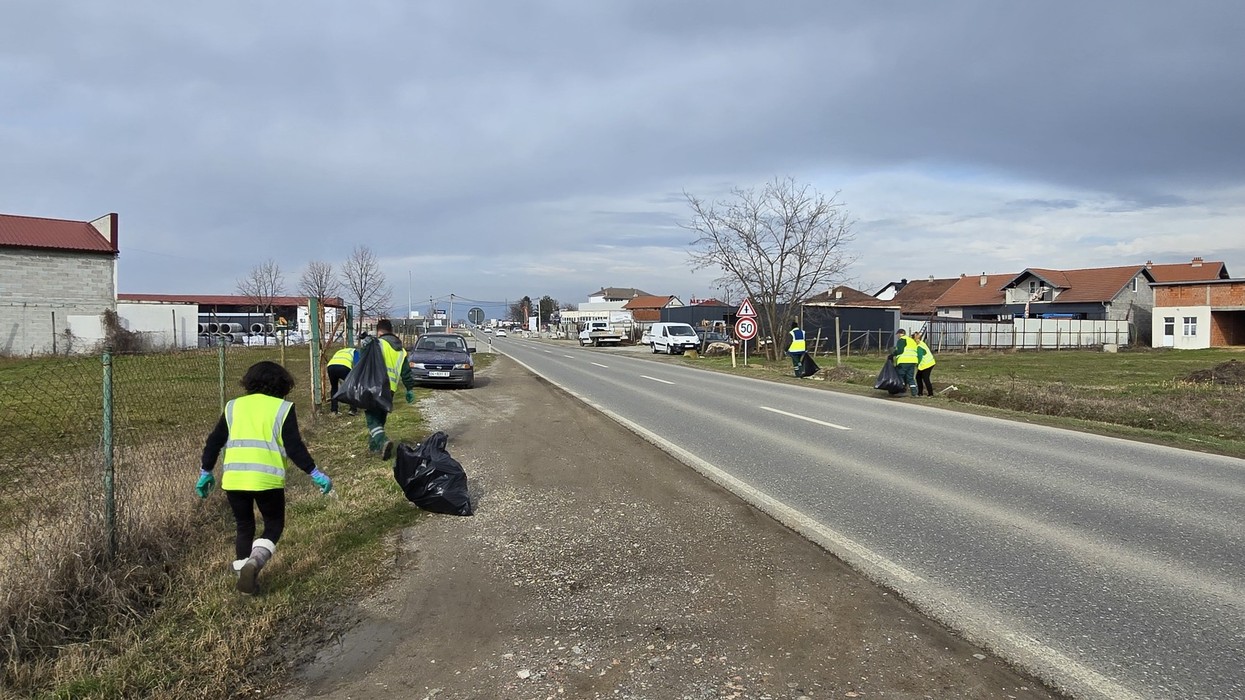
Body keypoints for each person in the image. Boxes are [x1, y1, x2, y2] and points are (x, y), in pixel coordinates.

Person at [196, 361, 333, 594]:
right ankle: (255, 561)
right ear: (282, 384)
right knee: (273, 524)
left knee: (244, 525)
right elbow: (294, 447)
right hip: (267, 480)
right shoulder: (282, 408)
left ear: (249, 381)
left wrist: (205, 471)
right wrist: (314, 472)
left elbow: (214, 441)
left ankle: (244, 581)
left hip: (234, 480)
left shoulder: (233, 406)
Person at [362, 319, 416, 460]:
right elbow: (406, 372)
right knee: (380, 418)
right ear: (391, 331)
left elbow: (364, 359)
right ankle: (375, 447)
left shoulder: (378, 343)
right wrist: (409, 389)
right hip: (390, 390)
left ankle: (383, 442)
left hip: (375, 386)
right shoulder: (401, 350)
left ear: (379, 331)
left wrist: (365, 345)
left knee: (372, 419)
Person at [326, 331, 366, 415]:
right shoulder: (355, 351)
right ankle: (352, 409)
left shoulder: (340, 351)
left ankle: (334, 410)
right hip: (344, 367)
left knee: (334, 388)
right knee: (352, 386)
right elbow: (357, 364)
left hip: (331, 367)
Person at [889, 329, 920, 397]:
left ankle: (900, 390)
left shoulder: (902, 340)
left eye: (897, 335)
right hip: (913, 361)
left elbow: (900, 350)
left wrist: (893, 354)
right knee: (910, 378)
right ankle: (914, 393)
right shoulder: (911, 340)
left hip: (904, 361)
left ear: (900, 334)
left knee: (900, 376)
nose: (897, 336)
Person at [913, 330, 936, 397]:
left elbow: (919, 357)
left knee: (925, 378)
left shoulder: (919, 346)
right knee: (918, 377)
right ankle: (920, 393)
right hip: (929, 362)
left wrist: (916, 364)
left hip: (926, 364)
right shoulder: (921, 343)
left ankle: (930, 394)